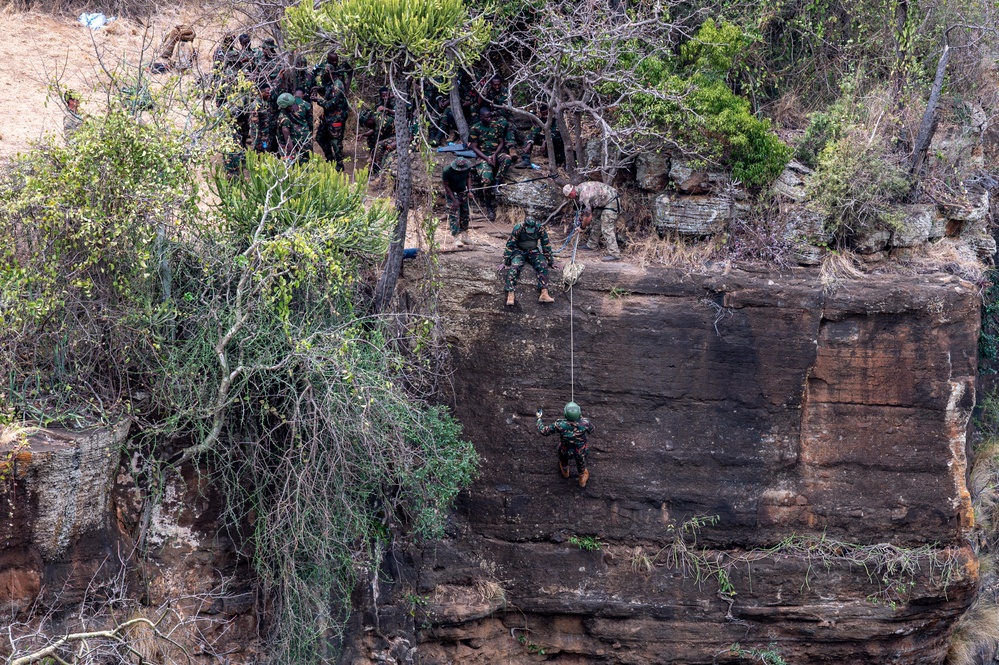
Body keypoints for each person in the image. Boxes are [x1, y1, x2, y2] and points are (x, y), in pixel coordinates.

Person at [468, 107, 513, 220]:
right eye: (487, 117)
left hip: (496, 154)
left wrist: (494, 155)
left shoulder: (496, 126)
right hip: (482, 157)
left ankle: (497, 183)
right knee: (487, 179)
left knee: (507, 158)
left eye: (490, 116)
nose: (489, 119)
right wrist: (486, 158)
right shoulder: (475, 128)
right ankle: (488, 206)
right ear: (481, 117)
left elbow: (501, 142)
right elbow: (474, 147)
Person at [537, 402, 594, 487]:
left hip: (565, 450)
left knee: (563, 459)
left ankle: (565, 471)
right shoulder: (585, 423)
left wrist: (539, 419)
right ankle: (582, 479)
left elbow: (543, 431)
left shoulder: (560, 424)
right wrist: (581, 419)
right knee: (580, 462)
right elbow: (591, 430)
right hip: (580, 450)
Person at [562, 182, 621, 262]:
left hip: (612, 200)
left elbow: (588, 217)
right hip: (603, 201)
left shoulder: (584, 195)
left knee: (606, 227)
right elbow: (588, 208)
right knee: (596, 222)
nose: (571, 198)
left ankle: (615, 254)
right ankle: (592, 244)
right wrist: (582, 217)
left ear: (571, 193)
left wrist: (582, 227)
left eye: (569, 197)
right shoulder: (580, 188)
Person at [503, 217, 556, 306]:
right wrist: (505, 260)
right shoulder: (518, 228)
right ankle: (510, 294)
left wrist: (551, 261)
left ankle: (544, 293)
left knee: (542, 264)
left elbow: (545, 244)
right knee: (515, 266)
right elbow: (510, 244)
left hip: (533, 251)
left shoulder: (540, 228)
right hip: (519, 250)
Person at [313, 80, 349, 170]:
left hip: (336, 119)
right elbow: (327, 94)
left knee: (335, 142)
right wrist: (320, 89)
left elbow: (330, 104)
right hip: (327, 119)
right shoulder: (330, 83)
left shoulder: (338, 85)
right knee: (320, 137)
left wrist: (318, 100)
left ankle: (339, 164)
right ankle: (330, 159)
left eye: (323, 74)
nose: (322, 76)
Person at [442, 157, 472, 247]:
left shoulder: (467, 167)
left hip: (463, 192)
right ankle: (456, 237)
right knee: (454, 214)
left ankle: (464, 235)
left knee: (465, 213)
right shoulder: (447, 171)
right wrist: (454, 200)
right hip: (452, 193)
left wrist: (470, 190)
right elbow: (446, 186)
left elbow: (468, 177)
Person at [276, 92, 312, 164]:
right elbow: (287, 138)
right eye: (290, 106)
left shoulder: (287, 113)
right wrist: (294, 152)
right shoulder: (285, 120)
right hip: (287, 148)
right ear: (286, 106)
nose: (292, 107)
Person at [249, 83, 278, 153]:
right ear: (261, 93)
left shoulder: (266, 102)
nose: (269, 94)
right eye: (267, 93)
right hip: (260, 138)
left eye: (270, 92)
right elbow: (254, 127)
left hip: (267, 136)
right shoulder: (255, 106)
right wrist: (257, 142)